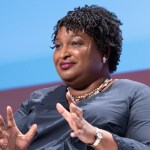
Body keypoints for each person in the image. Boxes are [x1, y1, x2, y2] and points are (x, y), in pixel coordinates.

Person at [0, 5, 150, 150]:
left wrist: (95, 136)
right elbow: (11, 141)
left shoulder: (134, 94)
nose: (63, 54)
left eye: (76, 43)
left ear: (105, 52)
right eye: (58, 46)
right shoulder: (38, 98)